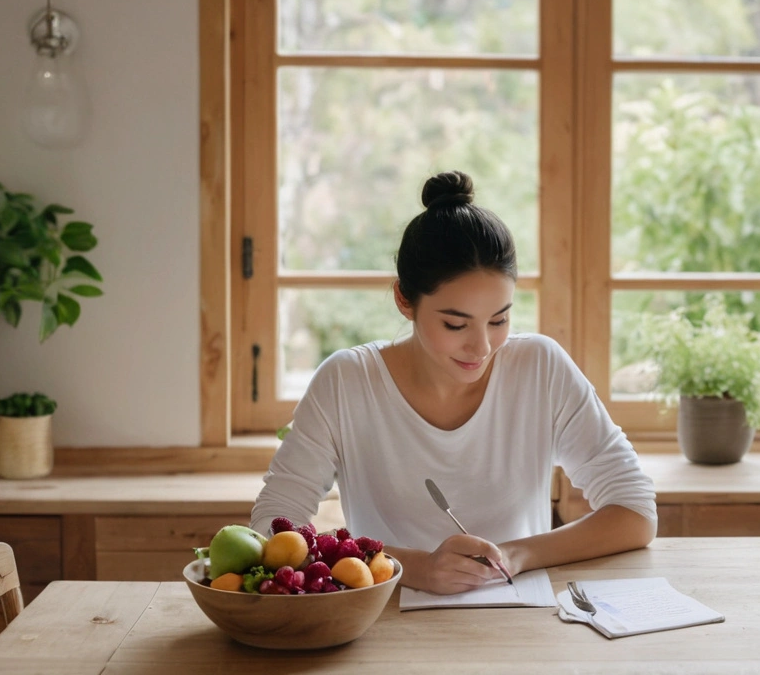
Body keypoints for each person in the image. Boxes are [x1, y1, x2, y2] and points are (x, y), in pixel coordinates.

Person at [251, 170, 656, 595]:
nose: (482, 347)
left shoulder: (541, 368)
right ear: (404, 300)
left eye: (499, 319)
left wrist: (516, 555)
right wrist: (411, 567)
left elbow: (635, 512)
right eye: (455, 323)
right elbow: (272, 525)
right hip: (383, 626)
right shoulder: (347, 382)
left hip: (518, 622)